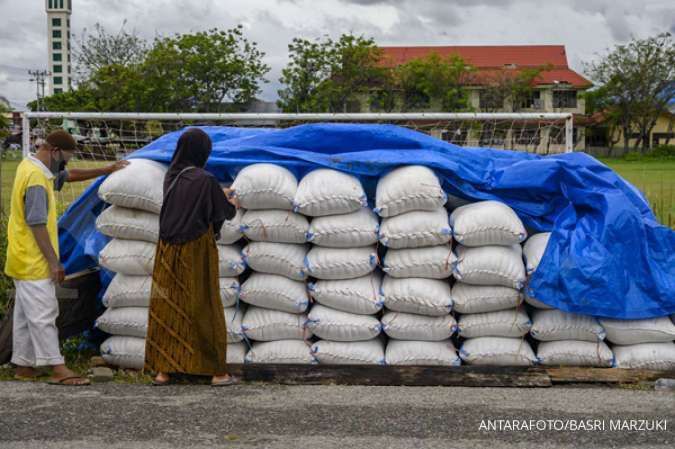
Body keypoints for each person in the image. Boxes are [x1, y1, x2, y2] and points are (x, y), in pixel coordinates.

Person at [5, 129, 129, 385]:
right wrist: (54, 262)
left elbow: (67, 176)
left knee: (25, 317)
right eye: (66, 158)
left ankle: (24, 366)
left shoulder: (30, 166)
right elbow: (37, 223)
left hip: (20, 256)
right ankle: (58, 368)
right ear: (54, 151)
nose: (66, 164)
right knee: (44, 314)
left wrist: (106, 169)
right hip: (33, 260)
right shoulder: (37, 179)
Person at [144, 128, 239, 387]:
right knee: (203, 306)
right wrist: (231, 202)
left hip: (166, 250)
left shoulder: (171, 176)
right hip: (196, 250)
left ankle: (163, 371)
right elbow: (223, 213)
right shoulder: (205, 180)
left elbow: (189, 199)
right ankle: (217, 373)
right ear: (203, 152)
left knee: (167, 307)